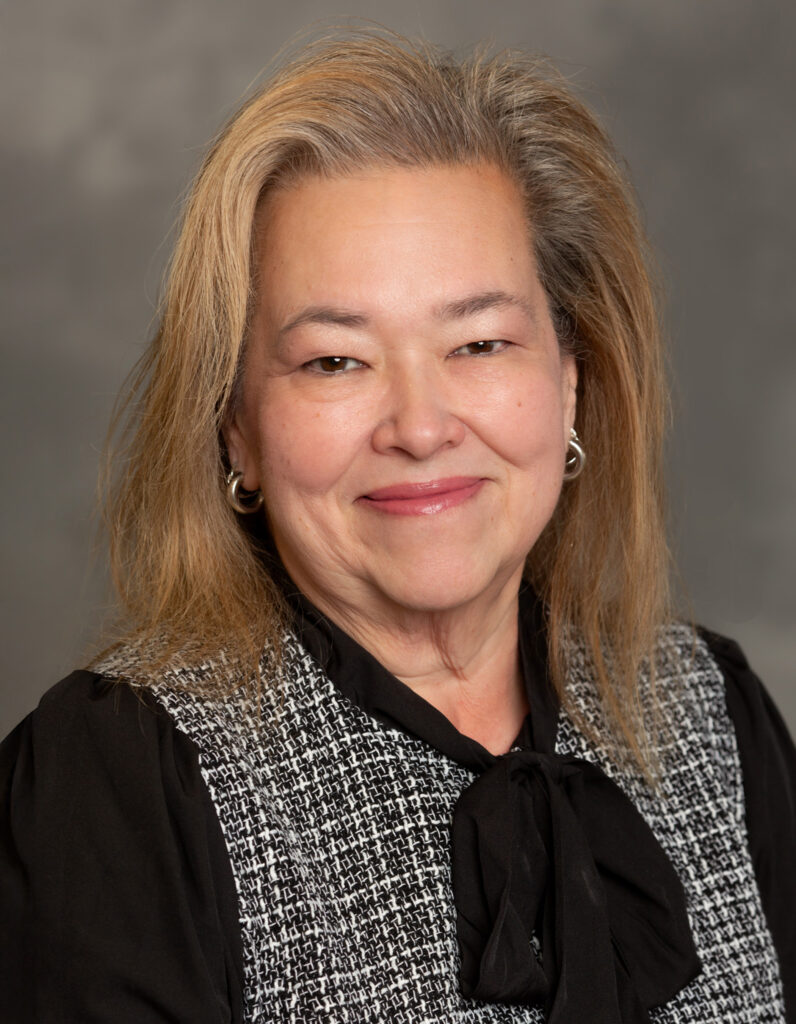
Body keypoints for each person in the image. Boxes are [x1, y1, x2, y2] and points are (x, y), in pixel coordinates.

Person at [1, 30, 794, 1024]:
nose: (420, 428)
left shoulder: (710, 712)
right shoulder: (119, 782)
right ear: (236, 425)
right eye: (334, 360)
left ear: (568, 381)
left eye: (480, 343)